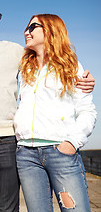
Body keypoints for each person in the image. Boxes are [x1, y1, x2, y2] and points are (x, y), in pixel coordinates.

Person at [0, 0, 95, 212]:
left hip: (10, 142)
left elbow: (63, 70)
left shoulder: (17, 52)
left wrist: (86, 80)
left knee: (10, 207)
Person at [14, 14, 96, 212]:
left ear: (51, 30)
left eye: (33, 26)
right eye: (26, 27)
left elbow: (87, 111)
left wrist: (71, 143)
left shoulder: (71, 67)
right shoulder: (25, 69)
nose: (27, 31)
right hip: (26, 155)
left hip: (60, 153)